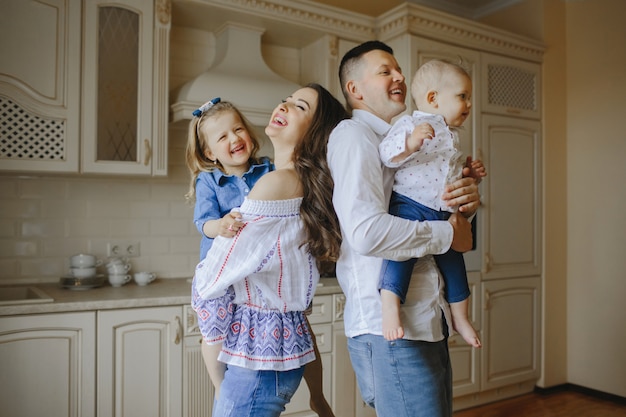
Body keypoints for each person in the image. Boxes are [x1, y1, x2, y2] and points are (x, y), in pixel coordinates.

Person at [327, 41, 481, 417]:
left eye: (399, 70)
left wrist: (467, 206)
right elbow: (367, 233)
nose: (399, 76)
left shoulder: (413, 135)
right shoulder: (354, 136)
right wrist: (449, 234)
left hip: (427, 317)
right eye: (385, 71)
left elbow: (435, 205)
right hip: (392, 329)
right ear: (355, 89)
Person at [192, 83, 347, 416]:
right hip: (280, 348)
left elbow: (211, 279)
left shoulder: (273, 181)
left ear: (315, 131)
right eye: (286, 100)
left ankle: (220, 390)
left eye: (300, 106)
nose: (286, 105)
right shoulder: (292, 180)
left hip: (258, 362)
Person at [378, 59, 486, 347]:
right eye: (462, 96)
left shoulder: (453, 135)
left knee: (455, 266)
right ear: (432, 99)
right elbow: (387, 154)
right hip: (410, 203)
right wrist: (411, 142)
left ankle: (461, 317)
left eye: (469, 97)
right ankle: (390, 309)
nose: (469, 104)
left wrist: (470, 174)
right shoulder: (410, 123)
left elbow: (449, 175)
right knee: (400, 255)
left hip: (443, 213)